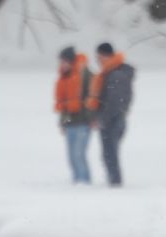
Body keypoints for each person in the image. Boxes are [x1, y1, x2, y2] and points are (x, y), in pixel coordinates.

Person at [89, 41, 134, 187]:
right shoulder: (111, 72)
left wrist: (102, 119)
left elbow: (115, 103)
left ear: (106, 56)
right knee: (108, 154)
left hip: (113, 120)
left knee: (110, 155)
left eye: (99, 57)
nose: (97, 61)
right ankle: (113, 182)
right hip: (112, 119)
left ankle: (115, 185)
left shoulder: (116, 74)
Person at [53, 47, 93, 184]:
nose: (62, 64)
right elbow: (63, 105)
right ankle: (77, 181)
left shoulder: (84, 75)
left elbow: (92, 99)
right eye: (61, 62)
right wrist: (64, 123)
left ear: (71, 61)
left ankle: (84, 181)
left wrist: (92, 119)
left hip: (83, 124)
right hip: (70, 124)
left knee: (79, 154)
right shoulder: (63, 78)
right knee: (71, 156)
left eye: (64, 61)